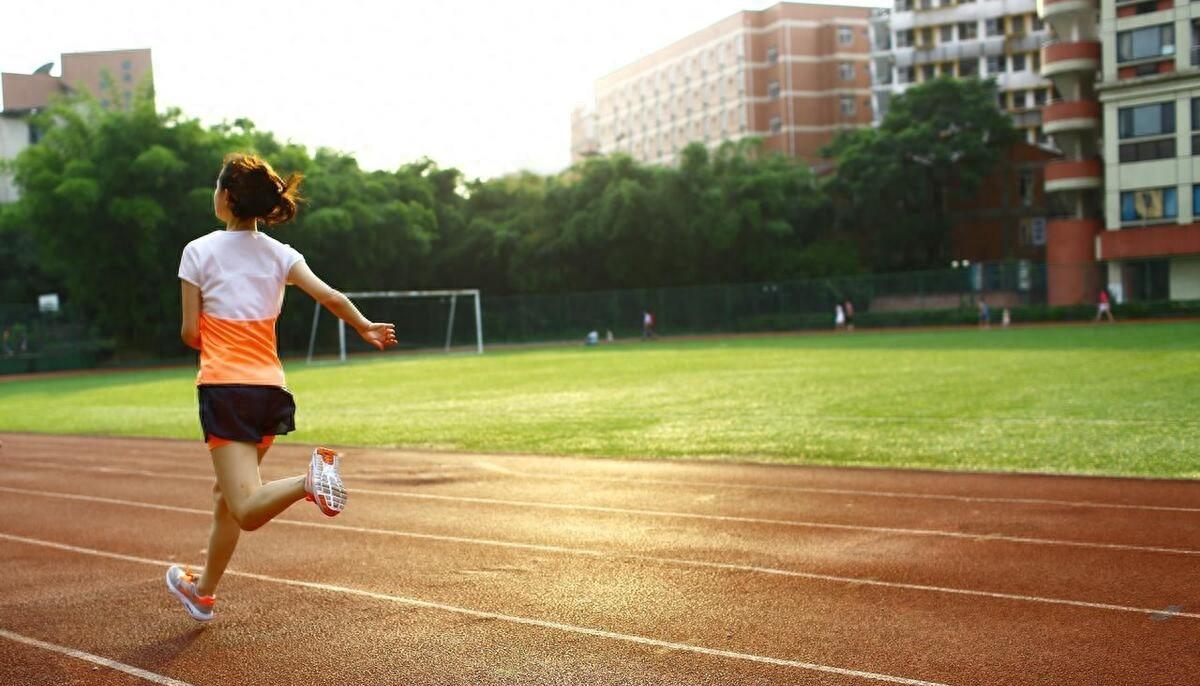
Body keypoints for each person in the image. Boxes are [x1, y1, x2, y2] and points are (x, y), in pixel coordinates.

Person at [166, 153, 397, 622]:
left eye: (216, 188)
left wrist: (217, 325)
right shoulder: (281, 254)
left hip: (226, 388)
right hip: (269, 389)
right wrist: (365, 326)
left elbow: (191, 334)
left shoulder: (197, 251)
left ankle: (307, 481)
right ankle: (203, 592)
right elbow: (328, 295)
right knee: (226, 500)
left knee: (246, 508)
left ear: (227, 197)